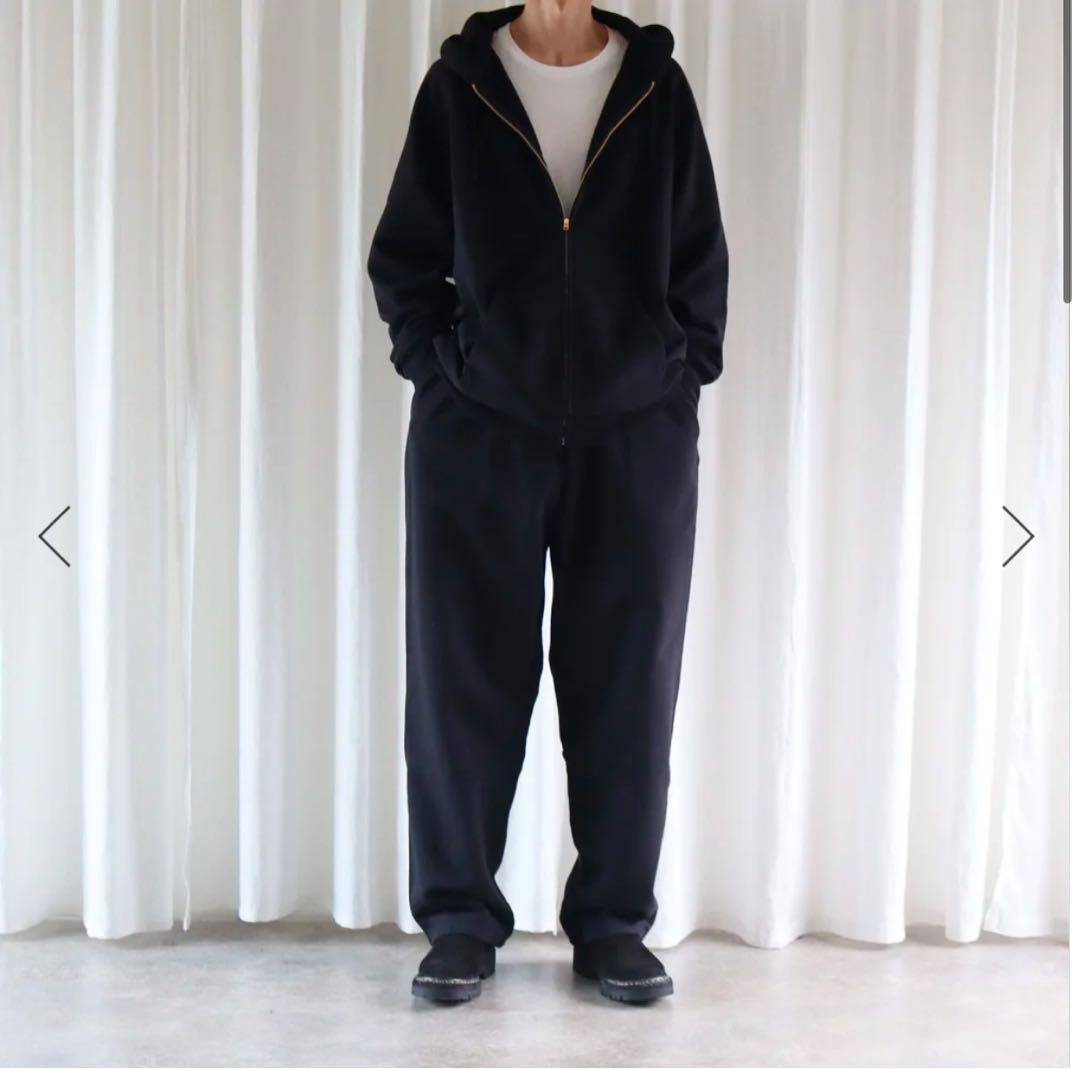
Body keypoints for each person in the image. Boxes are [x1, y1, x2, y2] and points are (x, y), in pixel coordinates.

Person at [367, 0, 728, 1004]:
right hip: (477, 433)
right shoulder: (460, 86)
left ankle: (613, 924)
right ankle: (458, 921)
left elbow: (699, 259)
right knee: (459, 680)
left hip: (637, 436)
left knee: (629, 685)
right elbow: (405, 259)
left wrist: (675, 375)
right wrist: (444, 369)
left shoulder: (654, 88)